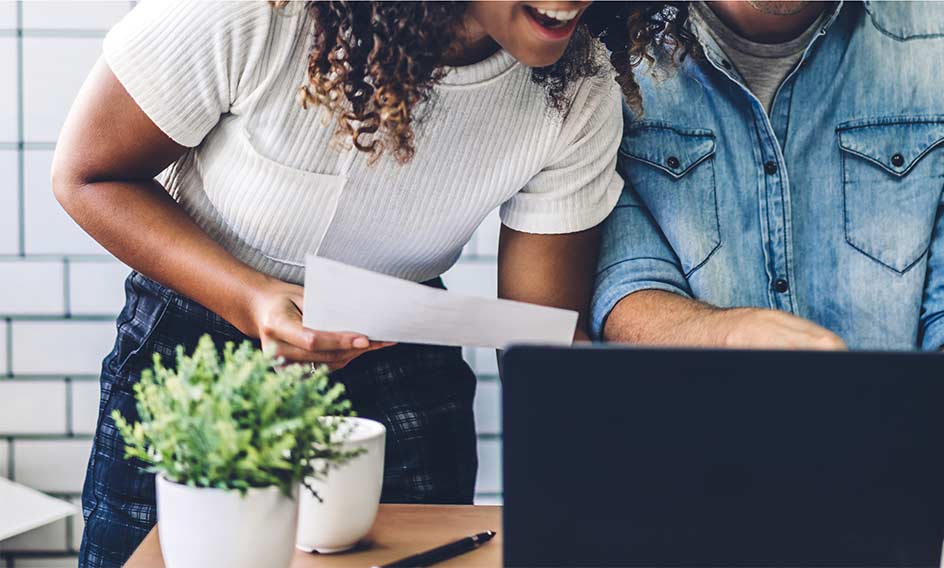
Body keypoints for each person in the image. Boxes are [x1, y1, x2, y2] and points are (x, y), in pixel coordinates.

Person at [53, 2, 694, 565]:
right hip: (197, 352)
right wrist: (249, 297)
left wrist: (650, 465)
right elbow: (89, 175)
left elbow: (542, 339)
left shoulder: (579, 86)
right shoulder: (258, 12)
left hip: (401, 361)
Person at [593, 1, 944, 543]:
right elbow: (623, 286)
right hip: (676, 512)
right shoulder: (606, 42)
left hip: (888, 525)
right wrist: (728, 333)